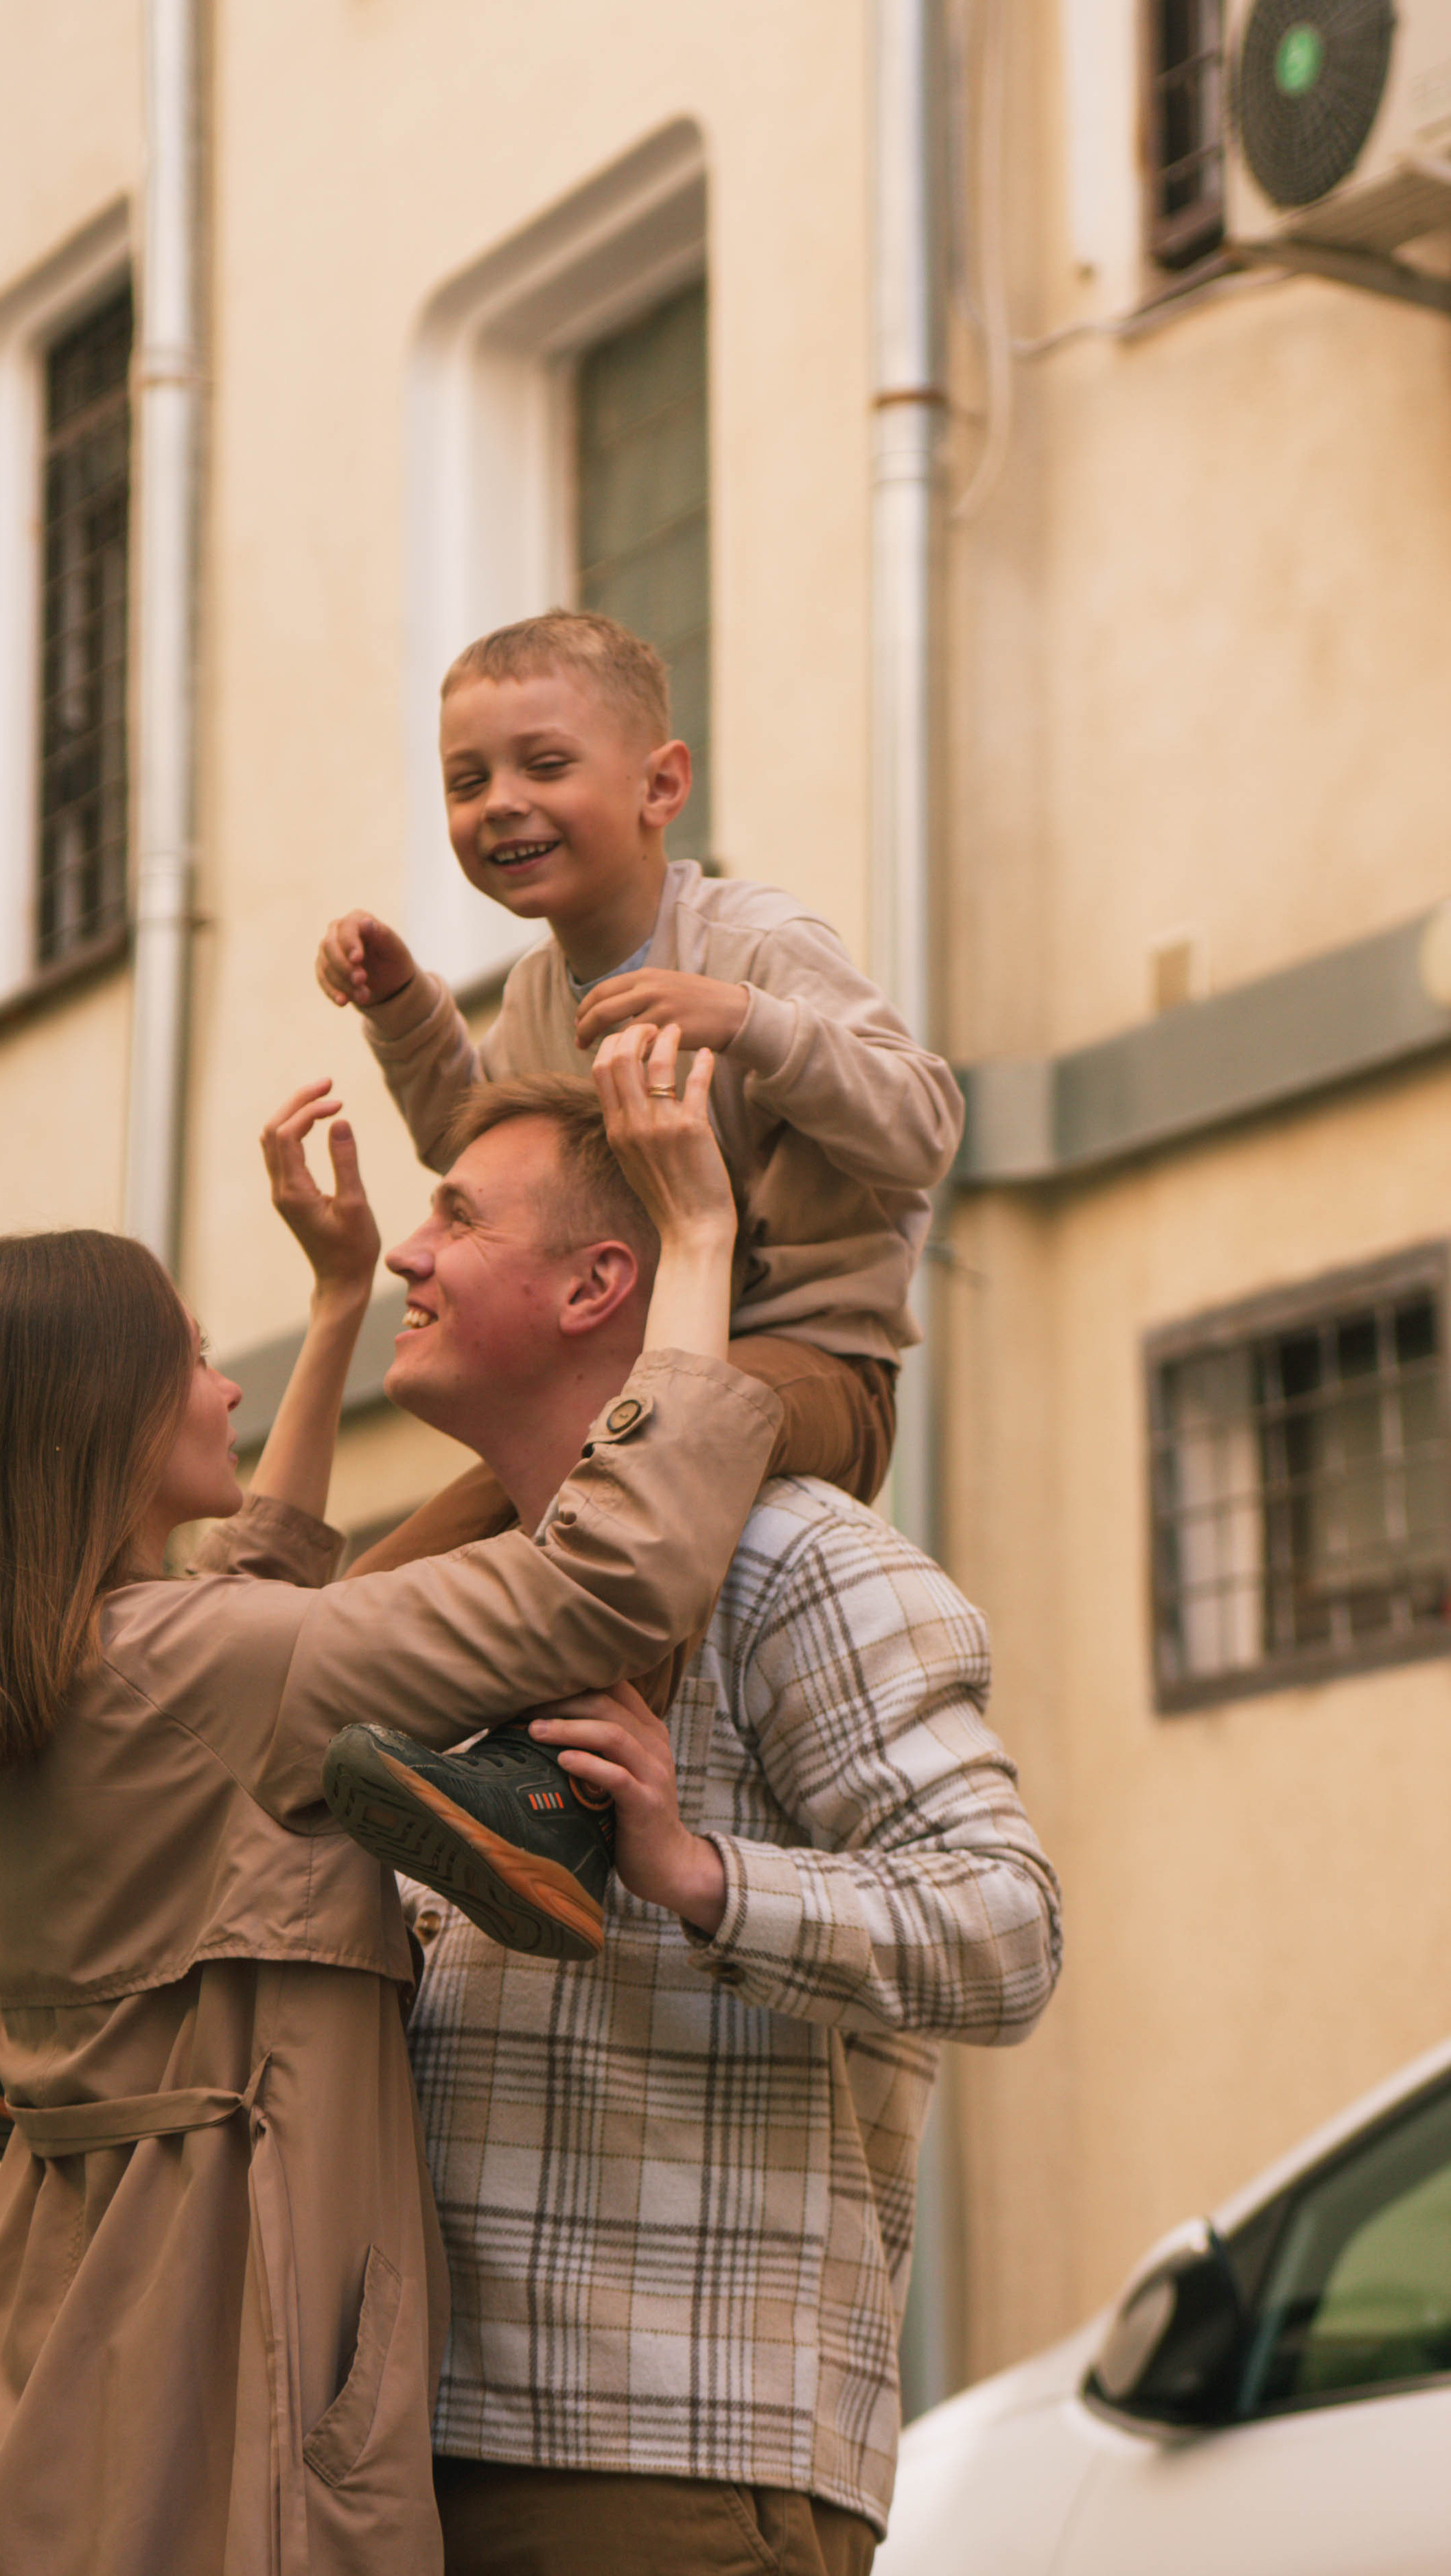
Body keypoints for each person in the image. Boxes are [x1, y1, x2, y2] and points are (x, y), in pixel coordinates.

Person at [0, 1030, 780, 2576]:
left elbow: (255, 1586)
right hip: (224, 2315)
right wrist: (696, 1238)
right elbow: (611, 1579)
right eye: (196, 1361)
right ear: (107, 1419)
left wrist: (339, 1298)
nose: (226, 1388)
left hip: (74, 2311)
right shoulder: (198, 1671)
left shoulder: (32, 1674)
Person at [317, 1075, 1063, 2576]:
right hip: (415, 2453)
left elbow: (1007, 1929)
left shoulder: (799, 1560)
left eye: (457, 1216)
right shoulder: (464, 1611)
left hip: (669, 2463)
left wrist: (695, 1871)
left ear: (599, 1283)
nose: (409, 1251)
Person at [314, 606, 966, 1951]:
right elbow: (487, 1149)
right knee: (365, 1598)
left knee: (671, 1467)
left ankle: (553, 1799)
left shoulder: (754, 944)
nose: (500, 805)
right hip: (638, 1394)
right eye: (465, 780)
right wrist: (405, 1012)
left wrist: (751, 1028)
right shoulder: (544, 997)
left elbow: (919, 1125)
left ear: (660, 785)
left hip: (808, 1366)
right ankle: (229, 1849)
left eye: (541, 767)